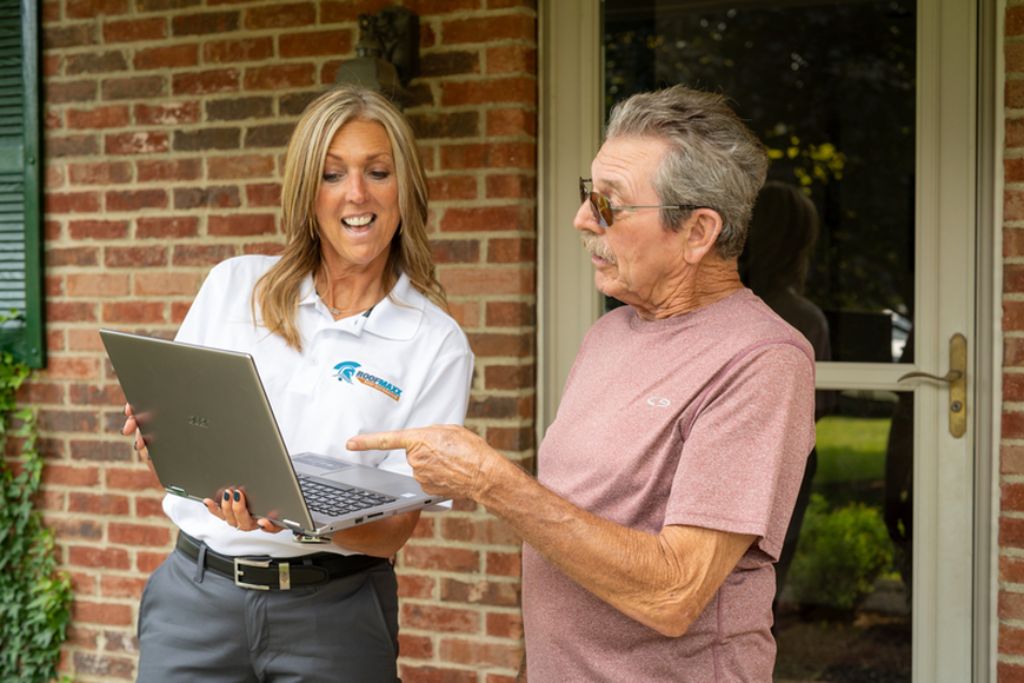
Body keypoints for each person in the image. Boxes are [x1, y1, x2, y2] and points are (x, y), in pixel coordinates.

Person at [348, 86, 816, 682]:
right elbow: (571, 533)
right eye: (586, 194)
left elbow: (674, 592)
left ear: (698, 232)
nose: (581, 218)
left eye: (610, 204)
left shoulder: (762, 360)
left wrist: (492, 482)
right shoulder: (610, 333)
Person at [121, 85, 473, 683]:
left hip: (332, 617)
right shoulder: (235, 287)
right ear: (307, 192)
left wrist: (296, 511)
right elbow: (184, 446)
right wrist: (158, 435)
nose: (356, 194)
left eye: (377, 171)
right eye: (333, 174)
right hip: (194, 601)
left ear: (405, 188)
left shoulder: (436, 344)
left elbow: (394, 533)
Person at [740, 180, 833, 609]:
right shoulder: (803, 318)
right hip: (788, 462)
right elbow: (822, 406)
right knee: (770, 573)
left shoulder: (724, 309)